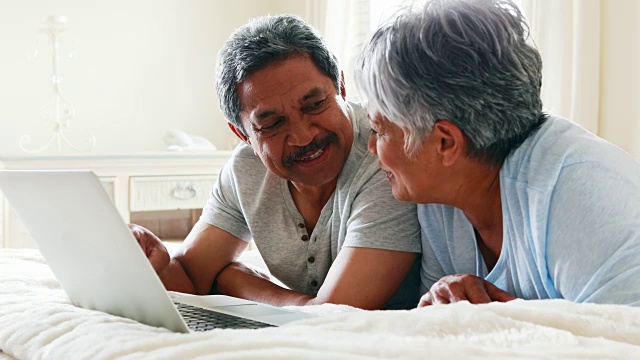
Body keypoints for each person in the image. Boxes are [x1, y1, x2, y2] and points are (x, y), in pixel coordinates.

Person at [354, 0, 640, 306]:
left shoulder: (586, 200)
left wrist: (513, 319)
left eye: (380, 130)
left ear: (446, 143)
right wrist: (447, 297)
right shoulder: (440, 201)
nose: (371, 148)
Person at [132, 14, 422, 310]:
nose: (302, 136)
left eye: (314, 105)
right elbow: (189, 280)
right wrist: (149, 258)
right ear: (243, 134)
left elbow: (333, 316)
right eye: (272, 124)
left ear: (341, 88)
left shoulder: (385, 158)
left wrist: (234, 282)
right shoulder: (246, 170)